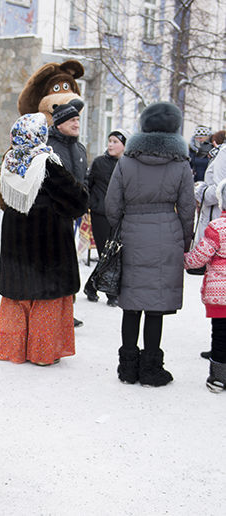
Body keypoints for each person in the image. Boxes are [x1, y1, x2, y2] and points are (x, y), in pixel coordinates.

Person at [105, 101, 195, 387]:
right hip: (167, 235)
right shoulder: (181, 164)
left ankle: (128, 368)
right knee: (156, 306)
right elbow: (188, 207)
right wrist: (184, 237)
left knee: (131, 304)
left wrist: (121, 225)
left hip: (131, 233)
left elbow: (112, 204)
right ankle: (152, 369)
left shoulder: (126, 161)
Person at [0, 113, 88, 366]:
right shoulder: (47, 163)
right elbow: (77, 201)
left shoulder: (9, 161)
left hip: (16, 241)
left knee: (17, 297)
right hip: (49, 243)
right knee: (46, 298)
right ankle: (42, 352)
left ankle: (13, 349)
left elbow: (4, 202)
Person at [47, 101, 88, 327]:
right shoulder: (49, 147)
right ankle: (52, 312)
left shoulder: (79, 148)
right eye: (72, 120)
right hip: (54, 215)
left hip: (74, 214)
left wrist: (84, 199)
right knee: (55, 265)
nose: (76, 123)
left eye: (78, 120)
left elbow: (85, 178)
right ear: (60, 124)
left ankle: (66, 311)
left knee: (69, 265)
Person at [184, 178, 226, 392]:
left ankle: (218, 378)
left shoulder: (216, 227)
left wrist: (183, 260)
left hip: (220, 294)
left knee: (220, 336)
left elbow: (200, 257)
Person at [83, 129, 130, 307]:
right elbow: (88, 183)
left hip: (120, 216)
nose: (110, 144)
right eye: (109, 141)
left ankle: (90, 285)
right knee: (105, 252)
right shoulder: (99, 162)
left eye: (115, 142)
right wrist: (92, 204)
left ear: (124, 145)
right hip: (101, 215)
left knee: (115, 254)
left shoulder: (128, 165)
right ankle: (112, 293)